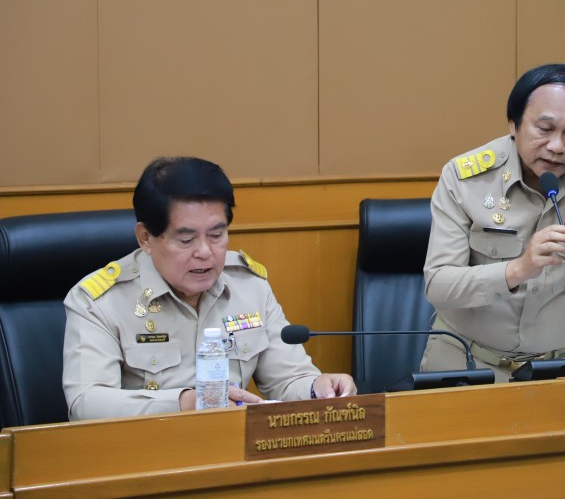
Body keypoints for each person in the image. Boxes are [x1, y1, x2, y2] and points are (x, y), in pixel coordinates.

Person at [63, 156, 356, 421]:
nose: (205, 252)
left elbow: (288, 379)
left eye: (217, 235)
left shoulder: (249, 286)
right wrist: (183, 403)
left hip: (232, 453)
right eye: (186, 240)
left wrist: (317, 388)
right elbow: (86, 403)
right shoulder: (99, 301)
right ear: (146, 238)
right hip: (146, 454)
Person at [421, 63, 565, 381]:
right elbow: (438, 285)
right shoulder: (465, 179)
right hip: (466, 363)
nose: (557, 146)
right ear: (514, 123)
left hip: (556, 368)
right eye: (544, 129)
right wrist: (517, 269)